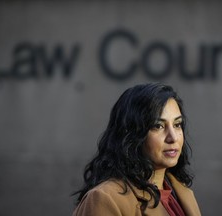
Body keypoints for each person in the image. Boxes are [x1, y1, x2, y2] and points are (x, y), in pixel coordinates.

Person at [72, 83, 201, 216]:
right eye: (158, 126)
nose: (173, 137)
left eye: (177, 124)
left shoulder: (181, 193)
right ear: (132, 135)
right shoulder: (106, 198)